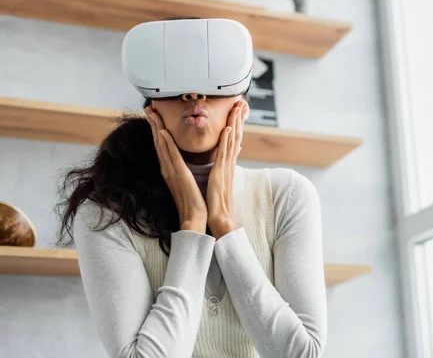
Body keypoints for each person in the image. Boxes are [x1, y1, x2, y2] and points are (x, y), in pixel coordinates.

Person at [53, 21, 328, 358]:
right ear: (151, 108)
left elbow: (302, 353)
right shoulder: (106, 214)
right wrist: (194, 222)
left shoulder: (287, 196)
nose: (194, 95)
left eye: (212, 85)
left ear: (240, 104)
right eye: (177, 86)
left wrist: (224, 223)